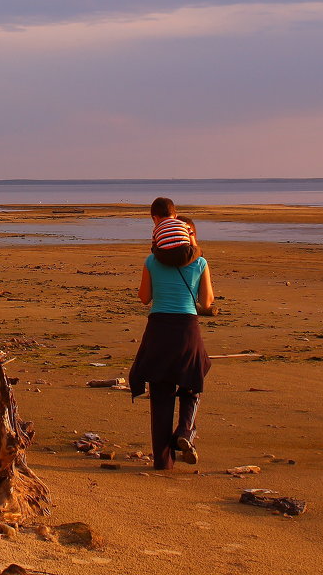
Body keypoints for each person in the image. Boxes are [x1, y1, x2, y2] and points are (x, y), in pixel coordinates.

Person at [129, 197, 215, 469]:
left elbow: (144, 298)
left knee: (160, 392)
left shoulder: (151, 261)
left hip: (158, 329)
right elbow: (207, 302)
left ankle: (163, 463)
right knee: (194, 377)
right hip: (187, 328)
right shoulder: (200, 263)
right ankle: (185, 431)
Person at [150, 196, 198, 267]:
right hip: (184, 256)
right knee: (198, 250)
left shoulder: (156, 229)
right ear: (175, 216)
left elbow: (154, 246)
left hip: (164, 258)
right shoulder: (183, 224)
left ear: (155, 218)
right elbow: (192, 241)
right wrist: (195, 250)